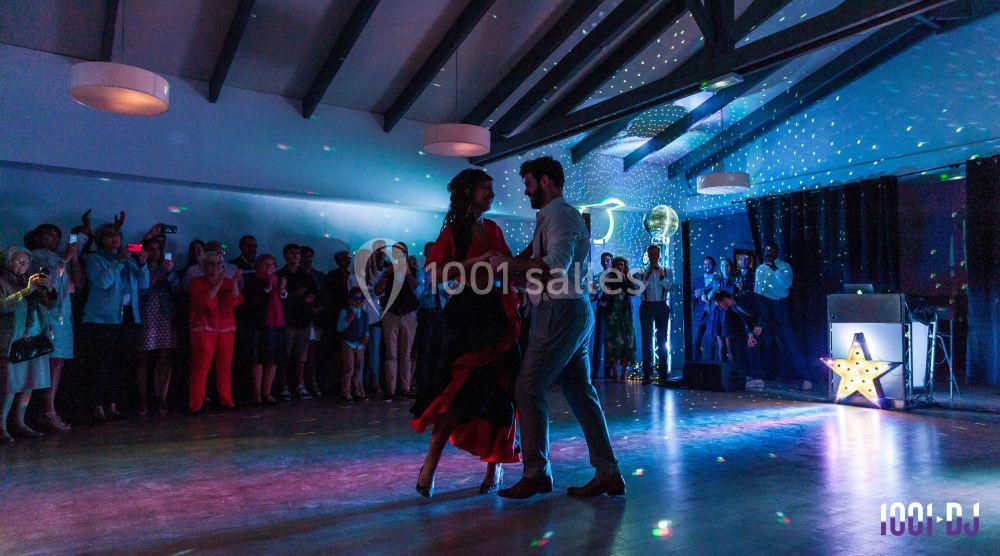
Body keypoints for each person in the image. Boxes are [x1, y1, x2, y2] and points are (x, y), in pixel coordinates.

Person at [488, 156, 623, 499]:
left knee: (529, 389)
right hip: (570, 310)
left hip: (560, 310)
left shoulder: (560, 215)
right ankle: (608, 473)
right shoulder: (553, 217)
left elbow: (554, 266)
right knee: (581, 393)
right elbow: (534, 266)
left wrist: (507, 265)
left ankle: (536, 473)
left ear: (546, 181)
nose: (526, 190)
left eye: (529, 183)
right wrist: (504, 269)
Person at [411, 168, 521, 497]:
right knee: (454, 395)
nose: (492, 193)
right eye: (486, 188)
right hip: (468, 317)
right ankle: (429, 468)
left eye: (492, 188)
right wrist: (476, 264)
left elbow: (508, 264)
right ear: (469, 191)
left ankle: (495, 468)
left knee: (506, 394)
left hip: (498, 316)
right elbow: (434, 273)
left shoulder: (493, 227)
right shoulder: (454, 231)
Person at [81, 222, 150, 420]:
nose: (115, 238)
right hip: (102, 320)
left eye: (118, 235)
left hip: (128, 318)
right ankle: (96, 406)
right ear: (100, 240)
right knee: (101, 365)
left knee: (119, 364)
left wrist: (143, 264)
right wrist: (118, 261)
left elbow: (144, 284)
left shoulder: (128, 260)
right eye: (110, 235)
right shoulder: (93, 259)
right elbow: (103, 282)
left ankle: (112, 404)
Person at [27, 224, 82, 431]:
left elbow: (75, 287)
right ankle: (46, 411)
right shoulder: (35, 256)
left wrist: (73, 260)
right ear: (37, 236)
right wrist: (65, 259)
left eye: (56, 235)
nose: (52, 238)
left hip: (63, 316)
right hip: (46, 314)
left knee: (58, 362)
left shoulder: (59, 257)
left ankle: (48, 410)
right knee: (47, 362)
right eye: (47, 234)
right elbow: (44, 282)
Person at [1, 247, 53, 442]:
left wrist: (48, 290)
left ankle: (19, 422)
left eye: (26, 262)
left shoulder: (28, 280)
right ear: (8, 261)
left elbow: (49, 305)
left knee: (28, 383)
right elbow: (3, 305)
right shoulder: (3, 281)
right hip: (11, 339)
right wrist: (25, 291)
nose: (23, 266)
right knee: (10, 385)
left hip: (34, 336)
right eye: (18, 261)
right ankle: (2, 426)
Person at [187, 250, 242, 413]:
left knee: (225, 366)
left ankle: (226, 399)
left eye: (219, 263)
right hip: (204, 328)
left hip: (226, 328)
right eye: (212, 263)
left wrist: (234, 281)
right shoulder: (196, 281)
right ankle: (196, 404)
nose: (217, 266)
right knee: (201, 366)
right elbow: (205, 300)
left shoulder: (226, 282)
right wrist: (218, 283)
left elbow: (237, 300)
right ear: (204, 266)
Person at [754, 242, 809, 390]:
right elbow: (757, 290)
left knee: (789, 342)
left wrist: (774, 268)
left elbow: (787, 284)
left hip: (779, 306)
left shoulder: (784, 267)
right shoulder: (759, 269)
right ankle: (762, 376)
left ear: (777, 252)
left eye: (771, 251)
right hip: (764, 307)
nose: (768, 253)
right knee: (763, 343)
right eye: (766, 251)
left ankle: (805, 377)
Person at [135, 237, 179, 416]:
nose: (154, 252)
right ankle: (142, 399)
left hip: (165, 316)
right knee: (142, 360)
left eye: (157, 249)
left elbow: (178, 289)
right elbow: (142, 289)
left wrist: (169, 273)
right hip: (145, 316)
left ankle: (162, 397)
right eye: (150, 248)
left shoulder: (169, 268)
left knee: (164, 360)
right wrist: (150, 271)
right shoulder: (138, 266)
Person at [240, 254, 287, 405]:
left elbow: (283, 300)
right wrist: (267, 289)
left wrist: (282, 291)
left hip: (275, 324)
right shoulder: (253, 280)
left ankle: (267, 391)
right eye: (266, 264)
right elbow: (251, 302)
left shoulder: (277, 279)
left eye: (272, 264)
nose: (270, 267)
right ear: (258, 265)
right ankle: (257, 393)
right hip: (258, 324)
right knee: (258, 360)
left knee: (273, 360)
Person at [276, 244, 316, 400]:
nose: (296, 256)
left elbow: (314, 293)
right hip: (287, 320)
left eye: (298, 253)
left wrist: (308, 299)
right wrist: (296, 295)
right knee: (285, 355)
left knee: (301, 356)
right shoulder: (280, 274)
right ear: (285, 255)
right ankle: (283, 386)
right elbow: (279, 299)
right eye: (292, 253)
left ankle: (299, 385)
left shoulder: (306, 276)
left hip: (303, 320)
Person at [348, 244, 388, 400]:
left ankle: (375, 382)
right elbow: (355, 297)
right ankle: (358, 385)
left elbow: (378, 292)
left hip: (374, 318)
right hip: (359, 320)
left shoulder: (376, 276)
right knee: (359, 355)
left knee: (375, 353)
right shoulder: (352, 278)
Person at [382, 242, 419, 399]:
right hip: (391, 315)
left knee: (406, 354)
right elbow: (377, 290)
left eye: (401, 251)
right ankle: (390, 390)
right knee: (391, 354)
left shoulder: (414, 271)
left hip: (409, 315)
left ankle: (405, 388)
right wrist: (386, 274)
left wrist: (409, 273)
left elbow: (418, 290)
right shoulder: (387, 270)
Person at [710, 290, 765, 389]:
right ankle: (756, 378)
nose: (720, 307)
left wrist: (760, 324)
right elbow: (746, 319)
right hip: (756, 327)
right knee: (750, 347)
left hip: (765, 324)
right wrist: (750, 335)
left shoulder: (744, 298)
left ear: (725, 299)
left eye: (719, 304)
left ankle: (758, 378)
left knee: (755, 348)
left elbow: (762, 308)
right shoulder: (734, 308)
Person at [414, 241, 448, 394]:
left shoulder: (444, 272)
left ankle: (437, 383)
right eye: (430, 251)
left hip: (441, 314)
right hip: (427, 313)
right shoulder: (422, 272)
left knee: (439, 348)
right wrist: (429, 286)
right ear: (426, 254)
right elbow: (417, 293)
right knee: (425, 348)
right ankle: (423, 383)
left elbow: (450, 290)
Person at [637, 244, 671, 384]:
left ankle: (663, 374)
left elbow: (670, 287)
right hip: (647, 306)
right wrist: (647, 276)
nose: (653, 257)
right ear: (648, 255)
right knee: (646, 340)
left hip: (662, 305)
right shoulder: (641, 271)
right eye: (650, 254)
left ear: (659, 255)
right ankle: (647, 374)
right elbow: (638, 290)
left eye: (655, 254)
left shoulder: (667, 270)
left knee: (662, 340)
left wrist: (662, 277)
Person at [603, 257, 635, 382]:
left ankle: (623, 374)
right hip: (613, 313)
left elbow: (633, 292)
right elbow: (607, 294)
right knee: (614, 342)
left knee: (627, 342)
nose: (620, 267)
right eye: (617, 265)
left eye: (622, 265)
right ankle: (615, 372)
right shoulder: (609, 278)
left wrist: (624, 278)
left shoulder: (628, 277)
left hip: (625, 314)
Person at [300, 245, 325, 396]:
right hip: (301, 318)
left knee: (312, 353)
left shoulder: (318, 275)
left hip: (316, 319)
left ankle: (313, 382)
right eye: (305, 256)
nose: (308, 259)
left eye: (310, 256)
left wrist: (319, 309)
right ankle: (303, 383)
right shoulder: (297, 274)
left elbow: (323, 295)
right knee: (302, 354)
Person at [336, 287, 369, 402]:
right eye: (355, 299)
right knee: (349, 367)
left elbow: (366, 328)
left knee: (358, 368)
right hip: (348, 342)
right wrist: (348, 320)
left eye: (360, 299)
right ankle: (346, 392)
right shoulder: (345, 311)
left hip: (359, 345)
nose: (358, 301)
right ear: (350, 299)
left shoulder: (364, 314)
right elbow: (339, 328)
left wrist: (366, 336)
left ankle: (358, 391)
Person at [692, 256, 720, 361]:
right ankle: (697, 366)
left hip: (713, 313)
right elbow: (690, 297)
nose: (707, 266)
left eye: (710, 264)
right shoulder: (697, 280)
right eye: (705, 264)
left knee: (711, 341)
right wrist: (695, 295)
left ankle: (711, 367)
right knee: (696, 341)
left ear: (714, 266)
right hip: (700, 314)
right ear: (702, 265)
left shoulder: (718, 279)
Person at [710, 258, 737, 362]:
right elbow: (711, 296)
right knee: (721, 345)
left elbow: (735, 298)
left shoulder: (735, 281)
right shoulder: (716, 281)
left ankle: (732, 371)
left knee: (730, 344)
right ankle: (723, 371)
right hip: (718, 314)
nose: (725, 268)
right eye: (722, 266)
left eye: (727, 265)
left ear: (731, 267)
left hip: (730, 313)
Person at [591, 252, 613, 379]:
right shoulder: (597, 277)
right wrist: (595, 295)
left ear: (611, 261)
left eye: (607, 260)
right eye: (603, 260)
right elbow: (593, 296)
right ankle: (595, 371)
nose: (605, 262)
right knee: (598, 341)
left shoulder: (616, 276)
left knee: (611, 341)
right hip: (601, 310)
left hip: (613, 312)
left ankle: (608, 370)